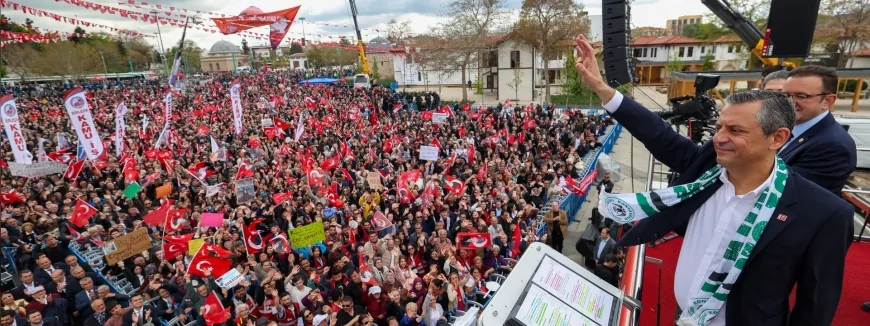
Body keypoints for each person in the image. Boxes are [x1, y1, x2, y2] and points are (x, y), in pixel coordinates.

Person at [573, 34, 853, 326]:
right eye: (719, 126)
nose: (719, 138)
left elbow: (816, 306)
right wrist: (602, 89)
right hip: (685, 316)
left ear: (777, 138)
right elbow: (661, 136)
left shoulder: (823, 212)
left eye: (736, 130)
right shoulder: (712, 168)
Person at [779, 65, 856, 194]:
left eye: (801, 96)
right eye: (785, 95)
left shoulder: (833, 146)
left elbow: (790, 192)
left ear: (827, 101)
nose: (789, 102)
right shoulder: (784, 127)